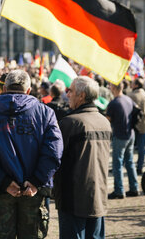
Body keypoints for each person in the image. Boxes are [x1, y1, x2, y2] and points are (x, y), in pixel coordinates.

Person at [0, 70, 63, 238]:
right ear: (28, 91)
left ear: (4, 89)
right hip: (30, 191)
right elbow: (54, 152)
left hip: (0, 190)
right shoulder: (45, 113)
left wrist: (4, 182)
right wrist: (36, 181)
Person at [55, 76, 112, 239]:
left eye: (70, 90)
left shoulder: (70, 123)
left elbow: (54, 158)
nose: (67, 94)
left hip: (73, 198)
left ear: (81, 96)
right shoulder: (104, 121)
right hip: (98, 195)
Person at [106, 83, 139, 199]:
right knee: (129, 162)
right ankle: (134, 188)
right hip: (130, 134)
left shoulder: (114, 103)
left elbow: (107, 120)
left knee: (117, 164)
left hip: (120, 135)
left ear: (114, 88)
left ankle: (119, 190)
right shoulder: (128, 99)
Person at [127, 78, 145, 175]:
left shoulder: (131, 95)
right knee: (141, 147)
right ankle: (140, 167)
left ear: (136, 85)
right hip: (143, 123)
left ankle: (129, 165)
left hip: (132, 123)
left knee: (128, 147)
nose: (131, 85)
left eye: (133, 83)